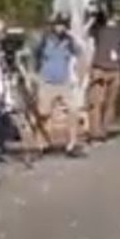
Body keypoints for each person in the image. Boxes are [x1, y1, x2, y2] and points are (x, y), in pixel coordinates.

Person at [34, 13, 82, 155]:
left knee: (73, 111)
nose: (60, 28)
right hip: (47, 81)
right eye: (57, 25)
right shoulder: (44, 40)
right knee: (44, 114)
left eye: (63, 25)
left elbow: (80, 52)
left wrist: (73, 35)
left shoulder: (70, 41)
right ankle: (42, 144)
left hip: (65, 81)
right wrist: (34, 76)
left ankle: (72, 144)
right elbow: (34, 56)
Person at [87, 7, 120, 141]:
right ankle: (95, 132)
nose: (117, 16)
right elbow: (89, 43)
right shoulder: (98, 29)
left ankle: (104, 130)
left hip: (115, 69)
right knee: (96, 101)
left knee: (110, 102)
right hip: (99, 68)